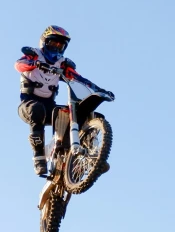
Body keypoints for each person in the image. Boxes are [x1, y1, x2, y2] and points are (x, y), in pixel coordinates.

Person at [15, 25, 111, 177]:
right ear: (45, 42)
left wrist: (98, 89)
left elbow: (79, 78)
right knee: (36, 109)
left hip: (50, 108)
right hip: (28, 105)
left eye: (61, 45)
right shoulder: (33, 55)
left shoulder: (62, 63)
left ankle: (93, 156)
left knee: (77, 115)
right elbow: (19, 64)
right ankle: (39, 157)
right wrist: (35, 65)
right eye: (53, 43)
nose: (57, 47)